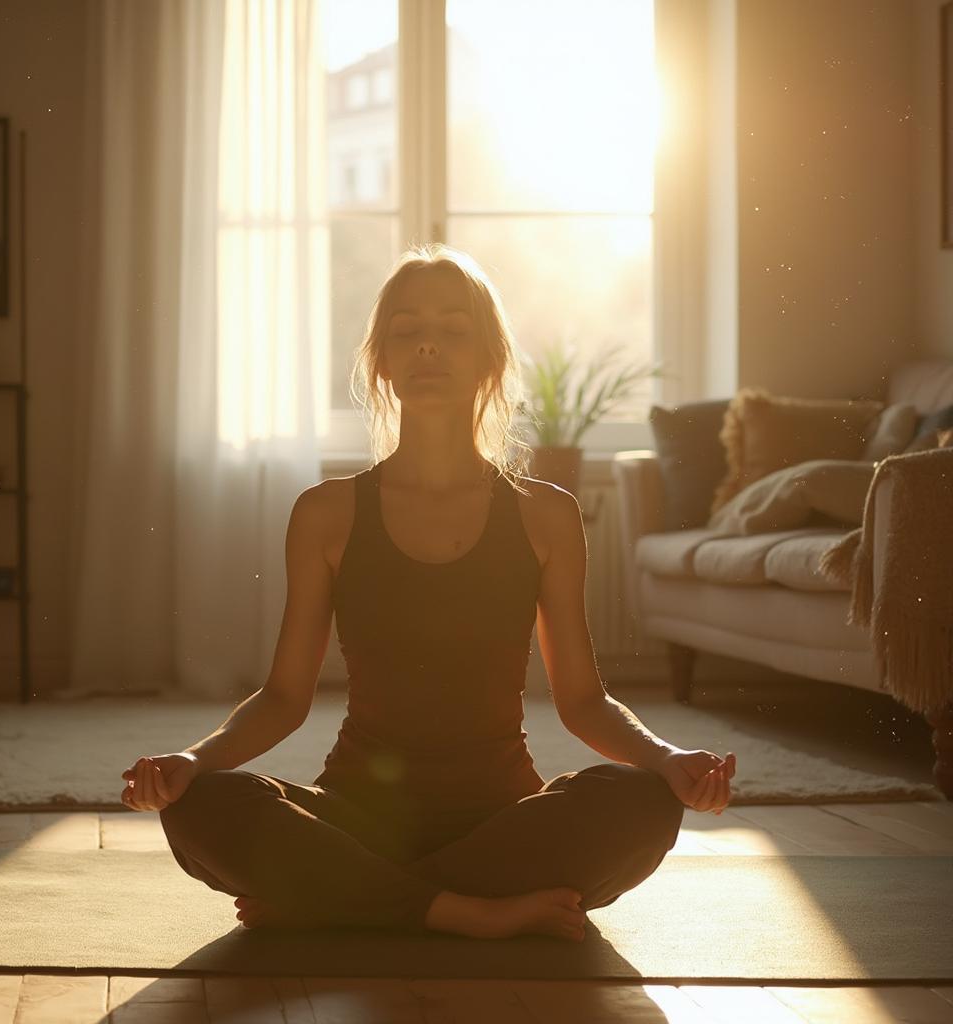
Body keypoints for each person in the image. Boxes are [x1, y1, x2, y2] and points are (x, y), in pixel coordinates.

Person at [121, 244, 737, 943]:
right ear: (381, 358)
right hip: (358, 815)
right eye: (406, 330)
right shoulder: (327, 513)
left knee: (644, 803)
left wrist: (666, 760)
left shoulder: (546, 515)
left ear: (490, 360)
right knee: (201, 806)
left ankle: (343, 898)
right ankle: (464, 913)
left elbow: (584, 701)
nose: (427, 346)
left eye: (452, 330)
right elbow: (284, 698)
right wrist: (193, 761)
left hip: (500, 821)